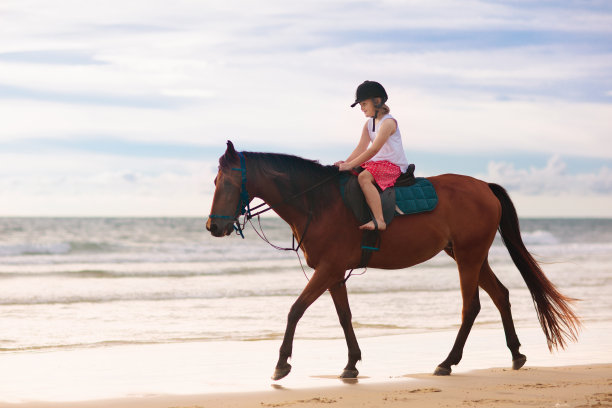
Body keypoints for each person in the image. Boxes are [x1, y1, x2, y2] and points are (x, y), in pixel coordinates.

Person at [335, 80, 409, 231]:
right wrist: (346, 162)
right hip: (376, 163)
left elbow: (373, 150)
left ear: (377, 101)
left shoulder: (388, 123)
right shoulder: (369, 124)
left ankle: (379, 220)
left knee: (364, 178)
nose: (361, 108)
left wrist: (350, 165)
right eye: (360, 105)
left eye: (364, 104)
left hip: (392, 164)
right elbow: (361, 147)